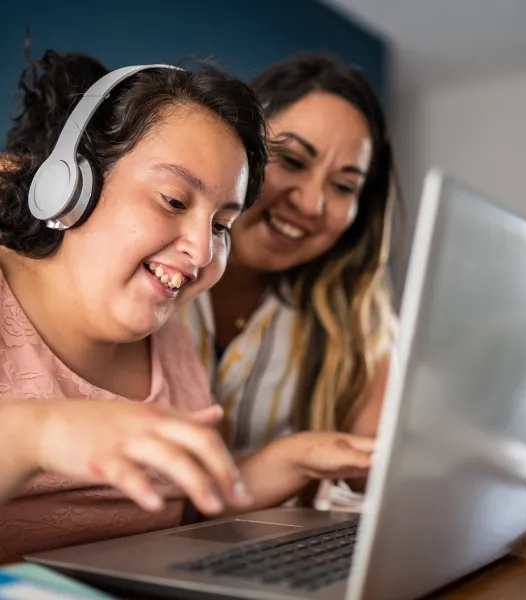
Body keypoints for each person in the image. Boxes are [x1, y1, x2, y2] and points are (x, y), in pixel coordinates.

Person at [0, 50, 374, 561]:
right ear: (70, 185)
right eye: (174, 201)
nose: (202, 252)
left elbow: (182, 506)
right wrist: (38, 434)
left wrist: (291, 459)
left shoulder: (167, 332)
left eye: (222, 224)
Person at [181, 53, 399, 503]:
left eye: (343, 186)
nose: (313, 204)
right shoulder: (141, 270)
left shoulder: (356, 323)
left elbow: (378, 475)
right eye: (294, 161)